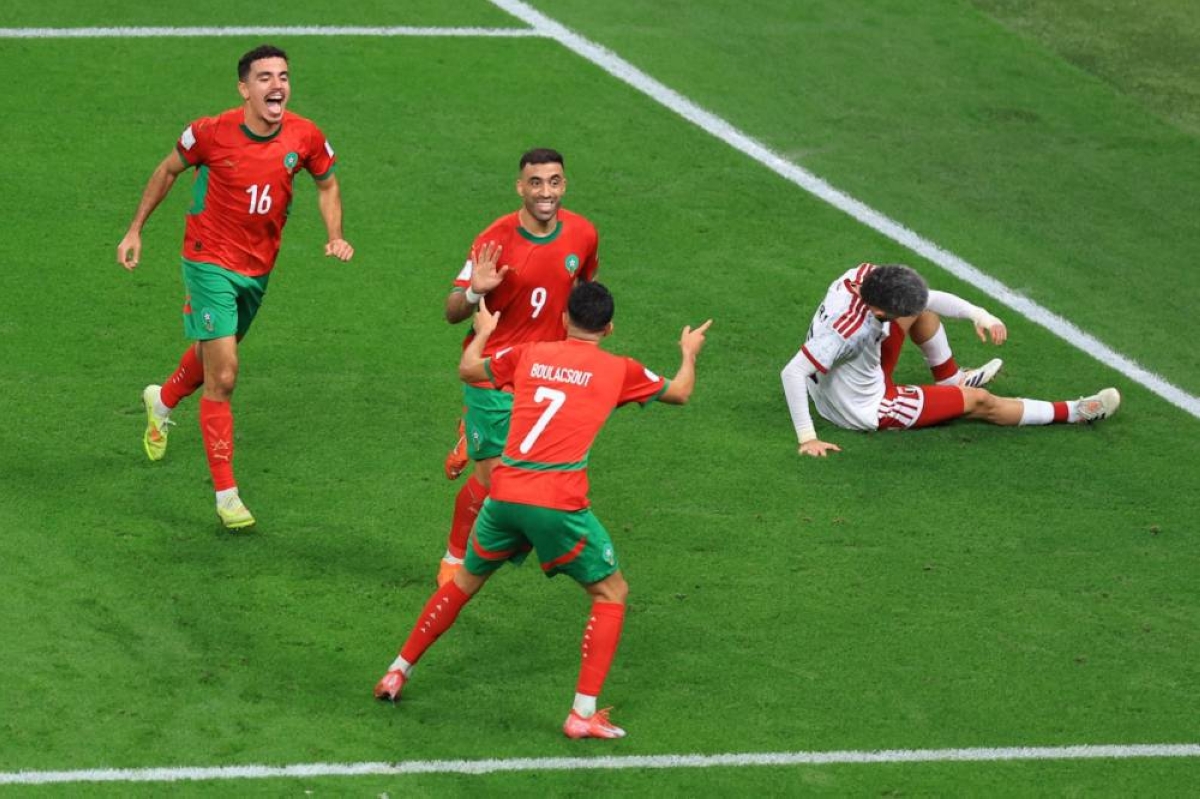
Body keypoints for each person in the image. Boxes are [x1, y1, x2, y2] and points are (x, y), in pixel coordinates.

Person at [375, 281, 712, 739]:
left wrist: (484, 331)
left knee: (461, 586)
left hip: (505, 494)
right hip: (557, 504)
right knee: (611, 593)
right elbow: (682, 393)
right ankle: (582, 713)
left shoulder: (531, 353)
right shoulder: (620, 369)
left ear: (563, 319)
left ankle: (397, 670)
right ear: (609, 328)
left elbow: (469, 369)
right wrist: (689, 351)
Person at [116, 44, 354, 528]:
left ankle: (161, 399)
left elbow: (327, 183)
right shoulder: (210, 132)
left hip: (257, 269)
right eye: (264, 77)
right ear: (244, 89)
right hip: (207, 260)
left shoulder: (305, 135)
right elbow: (167, 170)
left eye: (283, 76)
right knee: (223, 377)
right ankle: (227, 495)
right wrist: (135, 228)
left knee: (213, 358)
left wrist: (335, 235)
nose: (277, 86)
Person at [436, 148, 600, 585]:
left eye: (553, 181)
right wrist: (474, 291)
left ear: (564, 184)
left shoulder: (583, 234)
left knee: (527, 485)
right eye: (535, 183)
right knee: (495, 482)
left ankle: (470, 438)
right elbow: (452, 311)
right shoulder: (495, 238)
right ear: (520, 187)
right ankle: (453, 558)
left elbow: (584, 290)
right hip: (491, 372)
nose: (545, 192)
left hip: (546, 376)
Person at [780, 263, 1120, 456]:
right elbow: (793, 372)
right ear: (880, 309)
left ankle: (950, 380)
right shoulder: (849, 330)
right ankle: (1076, 412)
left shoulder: (862, 276)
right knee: (981, 401)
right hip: (863, 406)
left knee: (922, 310)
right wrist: (808, 438)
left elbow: (926, 300)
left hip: (843, 377)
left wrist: (979, 314)